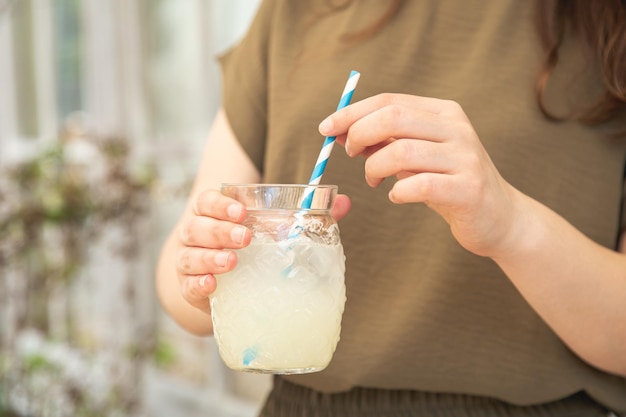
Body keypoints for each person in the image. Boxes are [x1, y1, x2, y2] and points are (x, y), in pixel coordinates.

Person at [156, 0, 626, 415]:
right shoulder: (295, 11)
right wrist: (206, 268)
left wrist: (511, 225)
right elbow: (183, 288)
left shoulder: (606, 25)